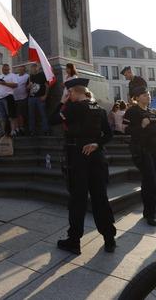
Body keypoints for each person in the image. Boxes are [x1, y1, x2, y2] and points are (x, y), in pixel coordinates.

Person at [50, 78, 116, 255]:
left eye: (69, 93)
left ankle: (74, 241)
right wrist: (97, 144)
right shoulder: (99, 109)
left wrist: (61, 103)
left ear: (75, 92)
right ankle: (109, 238)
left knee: (77, 199)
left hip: (77, 157)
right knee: (100, 197)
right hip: (97, 156)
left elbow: (52, 120)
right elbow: (108, 134)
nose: (68, 95)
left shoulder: (73, 108)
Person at [124, 87, 156, 226]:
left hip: (155, 149)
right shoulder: (132, 111)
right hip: (142, 149)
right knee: (149, 180)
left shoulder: (151, 112)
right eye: (144, 95)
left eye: (148, 94)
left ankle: (151, 210)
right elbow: (124, 129)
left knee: (154, 180)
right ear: (136, 98)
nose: (148, 96)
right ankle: (149, 213)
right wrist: (141, 126)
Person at [0, 64, 18, 136]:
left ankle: (13, 130)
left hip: (8, 97)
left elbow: (15, 85)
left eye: (7, 69)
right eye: (4, 69)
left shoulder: (12, 75)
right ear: (2, 69)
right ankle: (4, 131)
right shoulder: (0, 76)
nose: (6, 71)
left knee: (11, 115)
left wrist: (5, 83)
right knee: (2, 116)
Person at [28, 63, 50, 136]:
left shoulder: (42, 75)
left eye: (35, 67)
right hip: (31, 98)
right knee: (31, 115)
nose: (33, 69)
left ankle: (46, 130)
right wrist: (29, 86)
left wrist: (45, 95)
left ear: (38, 68)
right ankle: (32, 131)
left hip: (40, 97)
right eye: (32, 68)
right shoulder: (30, 76)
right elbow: (27, 88)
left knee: (43, 114)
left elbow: (47, 86)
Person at [13, 65, 30, 135]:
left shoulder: (27, 76)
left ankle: (22, 128)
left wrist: (28, 87)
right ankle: (16, 128)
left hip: (23, 98)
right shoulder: (15, 76)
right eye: (20, 69)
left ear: (24, 70)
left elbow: (29, 84)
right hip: (14, 98)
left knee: (21, 114)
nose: (21, 71)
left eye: (22, 70)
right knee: (15, 114)